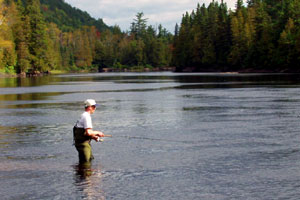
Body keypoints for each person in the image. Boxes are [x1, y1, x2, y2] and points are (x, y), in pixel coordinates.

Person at [73, 99, 104, 163]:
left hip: (82, 144)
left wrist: (93, 137)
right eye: (94, 106)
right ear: (89, 107)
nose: (95, 108)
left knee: (88, 162)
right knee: (86, 163)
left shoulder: (83, 115)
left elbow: (83, 132)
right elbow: (88, 132)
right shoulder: (86, 116)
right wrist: (98, 132)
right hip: (83, 144)